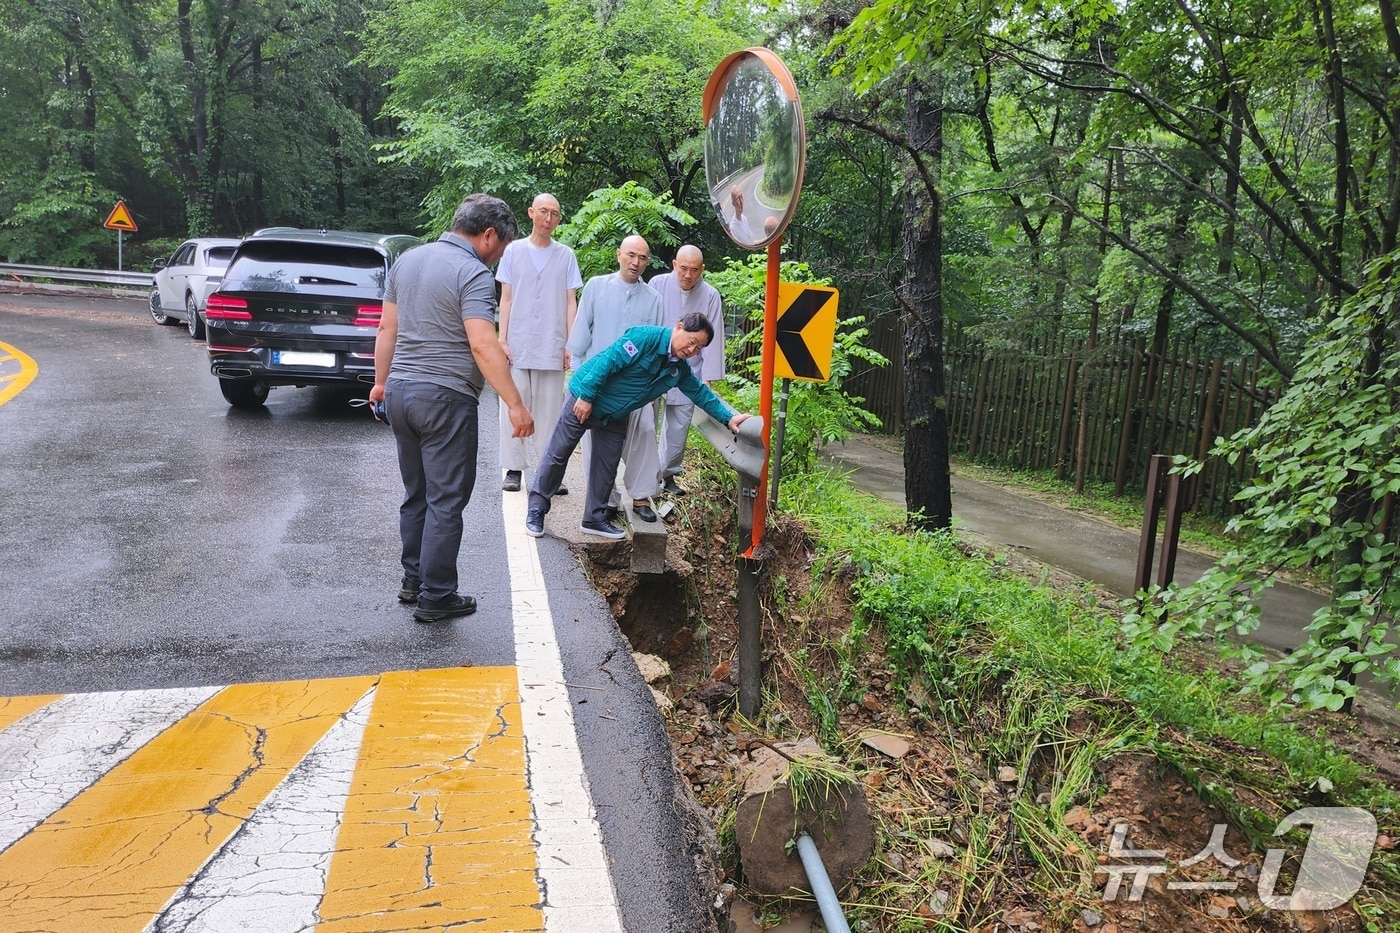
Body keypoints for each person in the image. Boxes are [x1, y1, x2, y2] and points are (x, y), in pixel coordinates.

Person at [370, 194, 534, 624]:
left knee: (417, 493)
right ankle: (437, 595)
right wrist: (515, 404)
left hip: (401, 392)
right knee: (445, 499)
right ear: (488, 235)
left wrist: (381, 383)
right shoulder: (473, 273)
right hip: (444, 397)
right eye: (500, 249)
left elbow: (387, 327)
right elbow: (481, 342)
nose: (498, 258)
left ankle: (413, 580)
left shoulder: (407, 260)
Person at [526, 314, 751, 539]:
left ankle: (594, 518)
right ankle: (536, 509)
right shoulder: (645, 338)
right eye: (692, 341)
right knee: (558, 453)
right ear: (679, 327)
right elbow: (608, 361)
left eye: (699, 347)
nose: (692, 350)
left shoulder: (678, 370)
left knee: (606, 466)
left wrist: (728, 418)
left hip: (615, 415)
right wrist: (586, 396)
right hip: (586, 399)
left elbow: (700, 393)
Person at [566, 234, 664, 522]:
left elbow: (658, 347)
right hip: (597, 384)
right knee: (596, 444)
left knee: (644, 434)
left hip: (635, 386)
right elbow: (580, 334)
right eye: (631, 255)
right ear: (619, 254)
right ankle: (605, 499)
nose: (636, 262)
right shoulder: (597, 287)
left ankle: (642, 497)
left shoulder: (654, 300)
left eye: (643, 257)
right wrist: (576, 377)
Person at [495, 193, 582, 494]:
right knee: (515, 406)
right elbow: (505, 298)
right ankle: (514, 469)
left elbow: (571, 302)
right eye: (543, 211)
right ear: (531, 213)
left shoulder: (566, 255)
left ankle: (548, 472)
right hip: (517, 342)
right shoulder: (513, 252)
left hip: (552, 343)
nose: (548, 218)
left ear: (559, 219)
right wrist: (501, 338)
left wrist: (571, 344)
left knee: (550, 412)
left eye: (554, 214)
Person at [648, 245, 724, 495]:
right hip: (655, 366)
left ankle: (668, 474)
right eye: (683, 268)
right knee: (646, 424)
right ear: (674, 265)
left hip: (689, 370)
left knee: (678, 427)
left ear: (702, 270)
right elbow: (647, 323)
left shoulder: (710, 295)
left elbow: (714, 339)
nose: (688, 275)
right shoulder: (657, 284)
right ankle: (645, 475)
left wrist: (709, 379)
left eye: (694, 270)